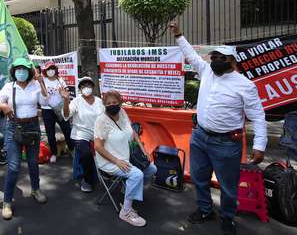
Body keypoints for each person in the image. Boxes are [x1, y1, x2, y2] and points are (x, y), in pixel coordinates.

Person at [169, 22, 267, 235]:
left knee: (228, 186)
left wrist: (260, 145)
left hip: (226, 143)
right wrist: (178, 35)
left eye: (221, 58)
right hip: (200, 137)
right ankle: (205, 210)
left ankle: (227, 217)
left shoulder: (244, 85)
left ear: (232, 60)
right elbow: (191, 55)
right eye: (213, 57)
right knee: (199, 178)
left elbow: (258, 116)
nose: (215, 61)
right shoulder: (206, 71)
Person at [0, 57, 49, 220]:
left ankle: (36, 189)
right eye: (18, 69)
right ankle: (7, 202)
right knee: (14, 166)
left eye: (24, 69)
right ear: (14, 71)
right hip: (13, 128)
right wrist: (3, 106)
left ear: (29, 71)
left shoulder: (35, 85)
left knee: (33, 162)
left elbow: (47, 102)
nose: (21, 72)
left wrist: (42, 82)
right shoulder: (9, 87)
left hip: (32, 127)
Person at [94, 90, 157, 227]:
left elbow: (133, 133)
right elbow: (98, 147)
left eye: (115, 102)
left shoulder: (122, 113)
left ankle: (128, 189)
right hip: (110, 161)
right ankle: (126, 212)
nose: (112, 105)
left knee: (152, 169)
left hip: (127, 156)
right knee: (137, 175)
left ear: (120, 103)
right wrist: (116, 161)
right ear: (104, 104)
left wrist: (143, 150)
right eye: (109, 103)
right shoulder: (101, 121)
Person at [60, 76, 104, 192]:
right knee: (86, 154)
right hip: (80, 134)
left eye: (89, 85)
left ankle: (110, 175)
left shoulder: (99, 102)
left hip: (98, 134)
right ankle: (87, 179)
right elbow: (66, 115)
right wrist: (65, 100)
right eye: (84, 86)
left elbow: (105, 118)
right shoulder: (76, 101)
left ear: (93, 87)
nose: (87, 88)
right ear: (80, 89)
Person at [40, 61, 73, 163]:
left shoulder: (60, 80)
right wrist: (40, 83)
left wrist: (65, 94)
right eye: (49, 69)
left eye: (52, 68)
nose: (51, 71)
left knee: (67, 130)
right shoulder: (43, 81)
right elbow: (43, 96)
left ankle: (72, 150)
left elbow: (66, 92)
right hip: (47, 110)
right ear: (45, 71)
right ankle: (54, 153)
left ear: (55, 70)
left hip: (60, 110)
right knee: (50, 133)